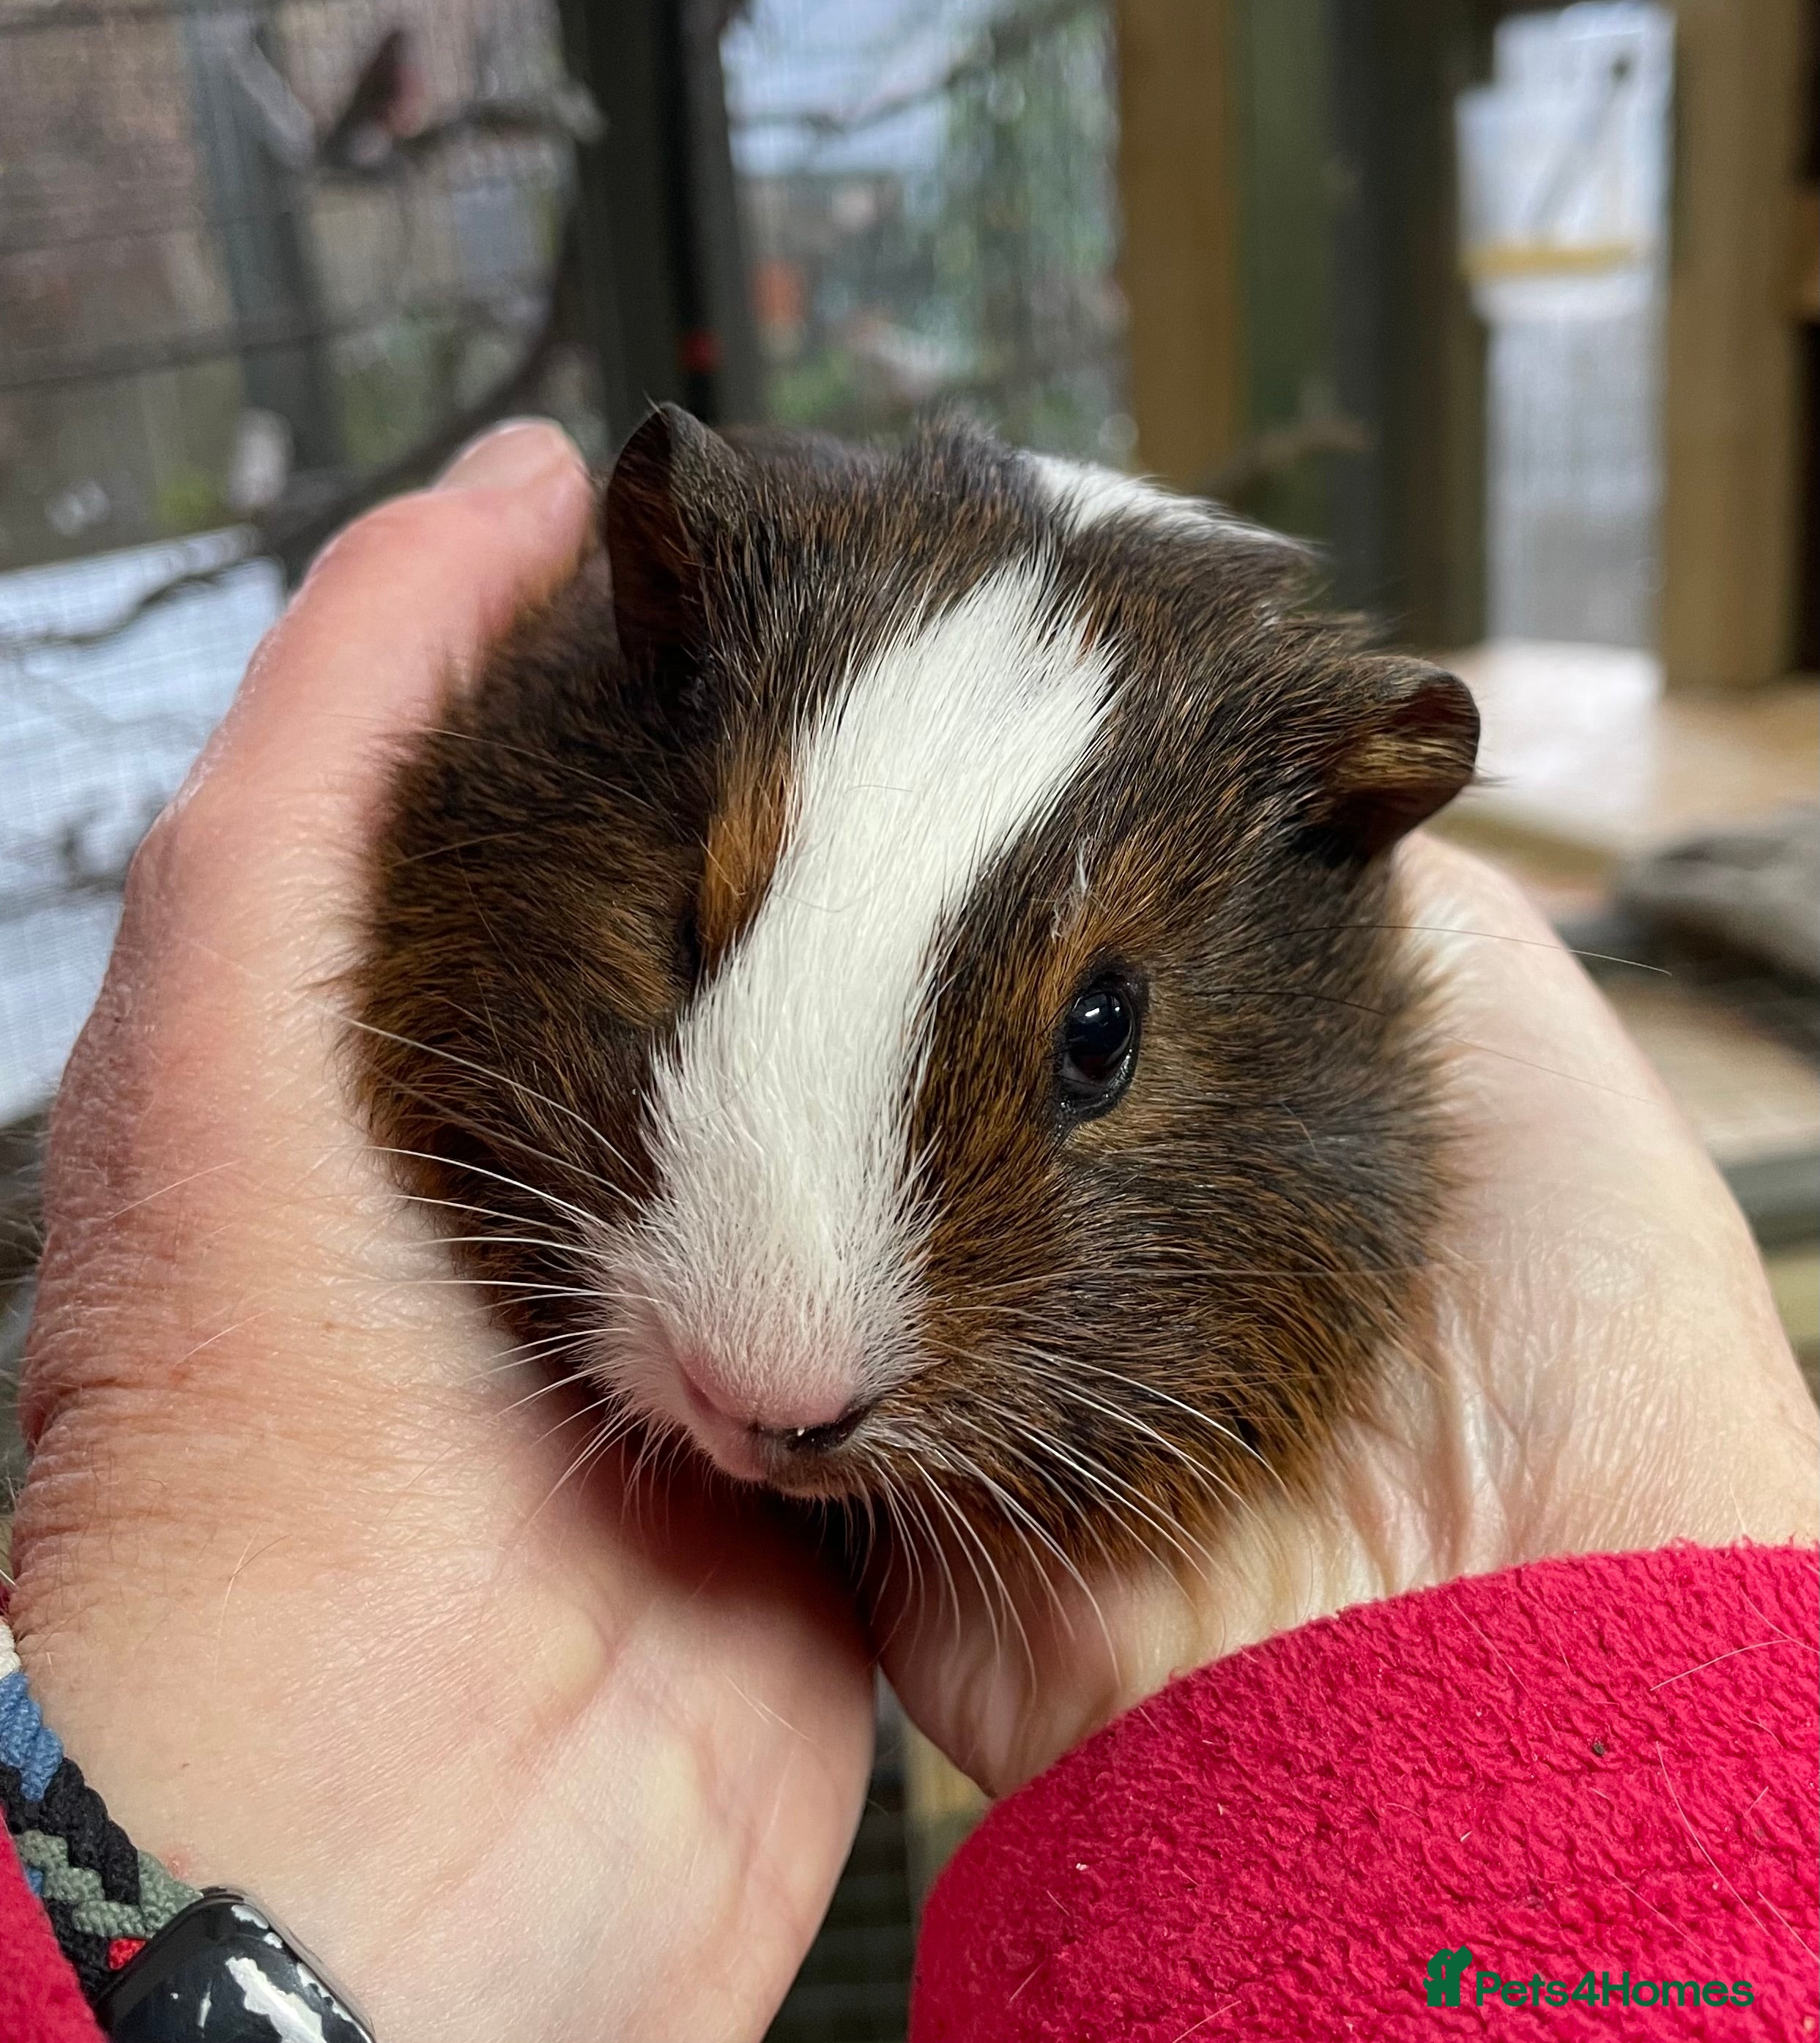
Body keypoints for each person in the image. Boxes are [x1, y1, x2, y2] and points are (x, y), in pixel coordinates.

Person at [1, 423, 1813, 2042]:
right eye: (696, 950)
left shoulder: (1334, 916)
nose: (781, 1379)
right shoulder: (530, 772)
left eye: (1092, 1046)